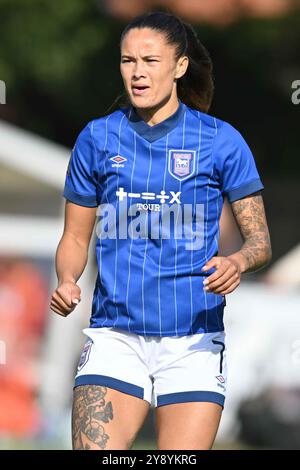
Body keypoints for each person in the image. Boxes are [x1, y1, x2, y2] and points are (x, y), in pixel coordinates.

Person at [50, 11, 272, 450]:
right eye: (127, 60)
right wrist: (67, 279)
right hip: (115, 336)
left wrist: (238, 261)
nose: (137, 72)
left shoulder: (221, 141)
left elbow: (260, 241)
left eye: (150, 60)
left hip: (193, 341)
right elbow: (76, 237)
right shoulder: (97, 140)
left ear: (180, 66)